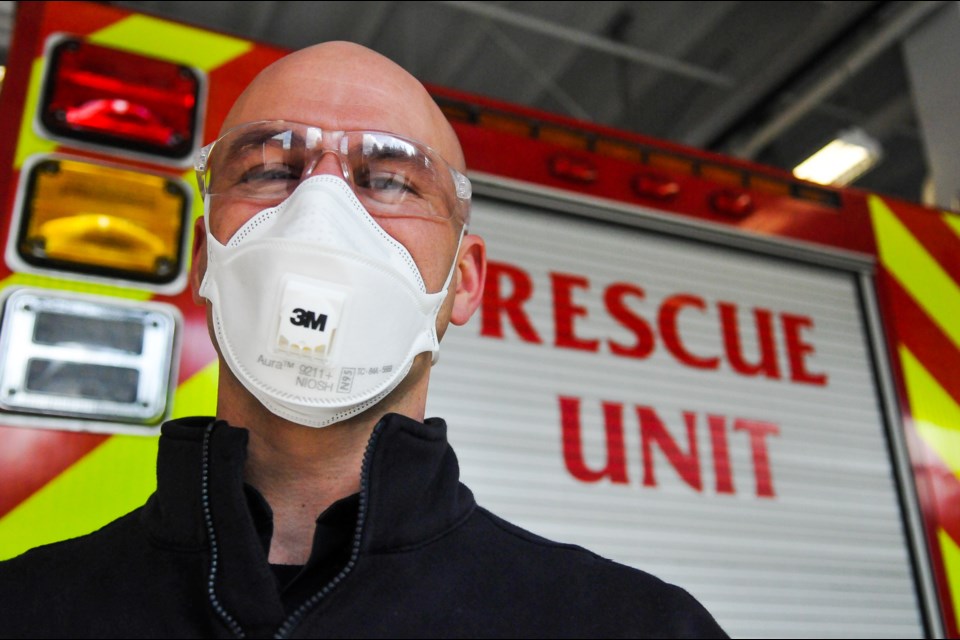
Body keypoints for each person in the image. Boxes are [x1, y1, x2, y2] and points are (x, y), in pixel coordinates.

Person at [0, 42, 726, 638]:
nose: (320, 210)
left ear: (465, 281)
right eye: (269, 170)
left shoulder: (633, 626)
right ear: (203, 259)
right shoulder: (27, 609)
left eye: (388, 180)